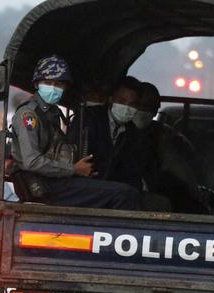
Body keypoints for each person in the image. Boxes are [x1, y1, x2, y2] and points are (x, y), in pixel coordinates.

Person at [10, 55, 139, 209]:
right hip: (43, 185)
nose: (53, 88)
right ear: (37, 84)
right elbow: (31, 162)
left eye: (58, 84)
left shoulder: (52, 113)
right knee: (124, 194)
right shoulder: (29, 115)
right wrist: (73, 169)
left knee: (113, 188)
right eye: (48, 83)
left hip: (56, 181)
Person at [132, 82, 211, 212]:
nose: (147, 112)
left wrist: (195, 190)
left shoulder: (160, 133)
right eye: (142, 106)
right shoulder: (119, 131)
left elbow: (176, 164)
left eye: (153, 108)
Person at [83, 77, 144, 186]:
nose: (126, 107)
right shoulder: (89, 119)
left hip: (115, 187)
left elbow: (132, 169)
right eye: (121, 101)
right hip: (88, 183)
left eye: (132, 104)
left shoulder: (132, 132)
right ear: (111, 99)